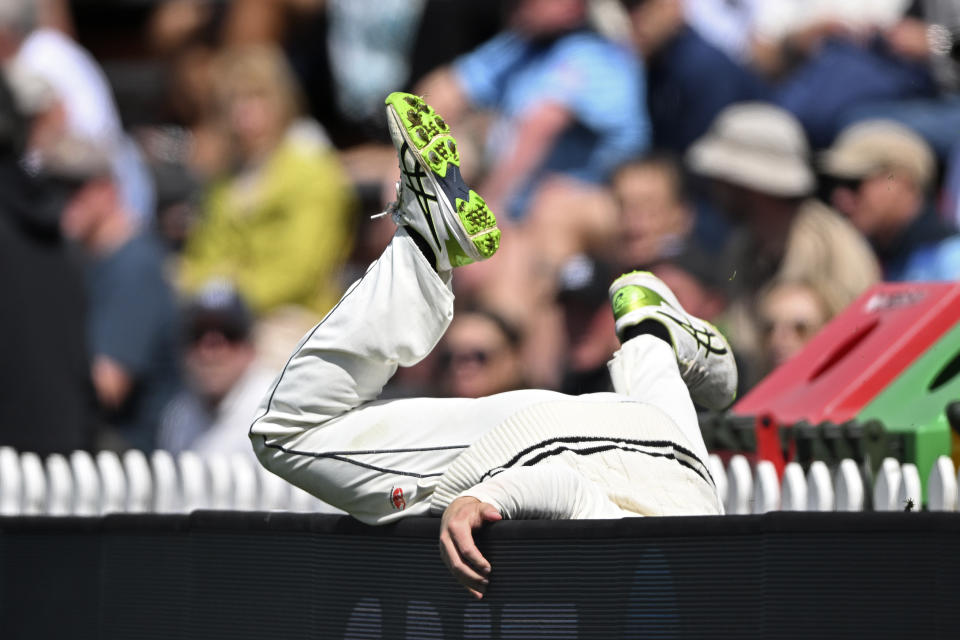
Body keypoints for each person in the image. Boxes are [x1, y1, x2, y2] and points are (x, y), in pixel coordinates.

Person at [250, 92, 734, 599]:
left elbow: (652, 457)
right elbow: (565, 488)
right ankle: (424, 242)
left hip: (677, 459)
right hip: (553, 447)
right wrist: (485, 495)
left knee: (658, 435)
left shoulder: (699, 550)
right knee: (288, 431)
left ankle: (649, 329)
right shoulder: (659, 592)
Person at [686, 102, 881, 384]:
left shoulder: (830, 247)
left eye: (722, 178)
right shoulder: (742, 247)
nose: (715, 188)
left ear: (746, 184)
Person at [58, 139, 181, 452]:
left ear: (107, 190)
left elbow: (107, 386)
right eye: (54, 188)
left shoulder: (133, 264)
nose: (61, 200)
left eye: (74, 188)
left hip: (135, 459)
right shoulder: (89, 260)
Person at [821, 119, 960, 281]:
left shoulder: (951, 260)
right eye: (833, 185)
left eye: (854, 184)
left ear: (900, 182)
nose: (840, 198)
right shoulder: (866, 258)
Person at [159, 280, 277, 457]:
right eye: (198, 333)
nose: (210, 352)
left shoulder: (275, 408)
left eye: (229, 334)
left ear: (250, 348)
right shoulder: (178, 415)